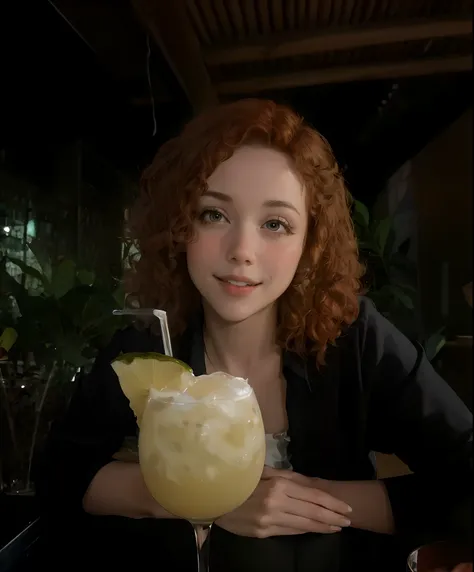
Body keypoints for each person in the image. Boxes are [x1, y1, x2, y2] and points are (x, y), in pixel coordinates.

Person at [35, 99, 472, 572]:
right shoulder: (146, 348)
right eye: (213, 215)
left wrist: (308, 500)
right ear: (179, 225)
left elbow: (465, 470)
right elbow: (61, 474)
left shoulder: (356, 338)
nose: (242, 250)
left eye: (275, 224)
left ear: (310, 243)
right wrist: (203, 497)